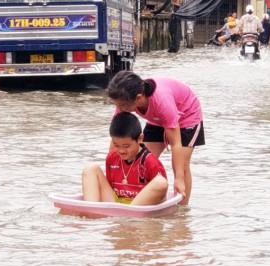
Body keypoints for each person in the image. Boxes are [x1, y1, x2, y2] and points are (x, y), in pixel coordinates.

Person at [107, 71, 205, 206]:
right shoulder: (124, 101)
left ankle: (182, 210)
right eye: (117, 105)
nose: (120, 108)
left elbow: (176, 143)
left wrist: (178, 178)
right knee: (138, 159)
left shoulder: (162, 101)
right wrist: (112, 167)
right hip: (157, 119)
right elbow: (117, 138)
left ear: (139, 98)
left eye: (122, 106)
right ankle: (141, 200)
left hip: (187, 116)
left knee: (181, 167)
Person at [82, 112, 168, 206]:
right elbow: (109, 188)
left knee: (161, 182)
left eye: (126, 146)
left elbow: (162, 196)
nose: (121, 151)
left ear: (140, 139)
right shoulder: (112, 158)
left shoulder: (151, 162)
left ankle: (129, 214)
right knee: (91, 169)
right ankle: (92, 210)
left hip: (139, 206)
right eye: (116, 145)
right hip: (117, 204)